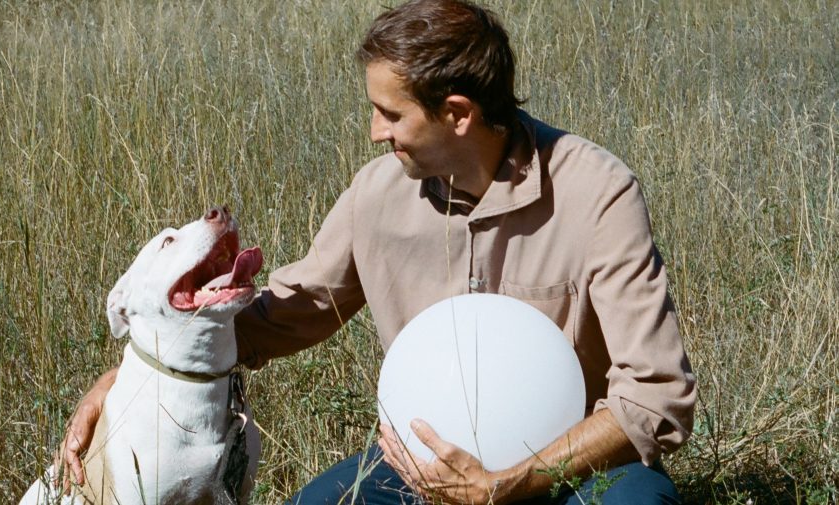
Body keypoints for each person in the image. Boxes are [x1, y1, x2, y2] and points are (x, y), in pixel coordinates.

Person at [60, 1, 696, 503]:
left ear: (457, 113)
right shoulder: (377, 194)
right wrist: (142, 374)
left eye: (389, 113)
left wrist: (512, 483)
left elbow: (654, 398)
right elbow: (292, 309)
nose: (374, 132)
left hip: (569, 470)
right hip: (421, 470)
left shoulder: (596, 192)